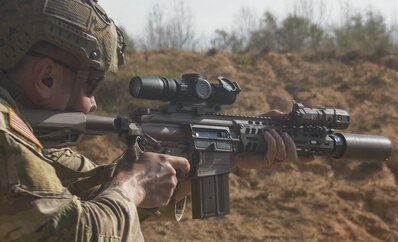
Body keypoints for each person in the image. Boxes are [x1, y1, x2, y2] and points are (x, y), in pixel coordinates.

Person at [0, 0, 299, 241]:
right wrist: (134, 185)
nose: (93, 105)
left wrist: (219, 158)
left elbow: (86, 196)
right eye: (91, 84)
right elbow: (72, 231)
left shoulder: (32, 139)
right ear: (46, 77)